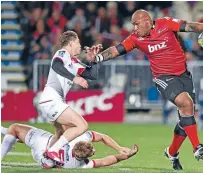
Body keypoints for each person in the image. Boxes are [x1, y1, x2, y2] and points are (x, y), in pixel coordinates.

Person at [88, 9, 203, 170]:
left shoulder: (166, 24)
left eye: (136, 24)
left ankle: (171, 153)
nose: (134, 28)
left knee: (185, 119)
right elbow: (116, 50)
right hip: (163, 78)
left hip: (184, 75)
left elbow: (190, 26)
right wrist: (98, 57)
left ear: (147, 21)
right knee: (186, 103)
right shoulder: (135, 38)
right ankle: (197, 147)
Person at [39, 30, 102, 164]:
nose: (80, 45)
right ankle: (53, 151)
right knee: (82, 125)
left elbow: (92, 75)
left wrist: (93, 59)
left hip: (52, 101)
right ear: (71, 43)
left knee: (62, 132)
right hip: (52, 99)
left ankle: (47, 161)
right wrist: (75, 79)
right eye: (78, 42)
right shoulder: (62, 53)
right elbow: (56, 65)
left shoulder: (74, 62)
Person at [1, 124, 138, 168]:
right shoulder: (80, 164)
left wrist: (120, 148)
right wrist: (123, 155)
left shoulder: (80, 137)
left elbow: (101, 137)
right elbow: (106, 161)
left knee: (14, 128)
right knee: (17, 135)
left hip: (44, 143)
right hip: (41, 159)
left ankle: (5, 134)